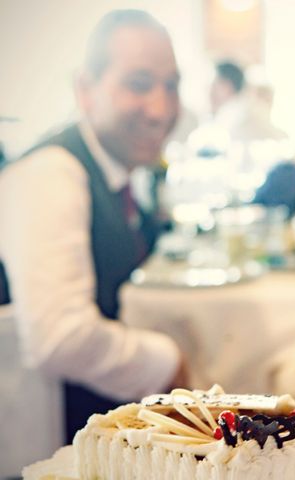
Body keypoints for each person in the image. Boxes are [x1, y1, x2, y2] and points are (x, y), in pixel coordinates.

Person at [0, 9, 188, 444]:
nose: (161, 109)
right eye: (139, 84)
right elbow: (60, 339)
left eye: (172, 87)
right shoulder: (50, 174)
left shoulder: (116, 171)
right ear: (86, 90)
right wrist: (165, 360)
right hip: (37, 440)